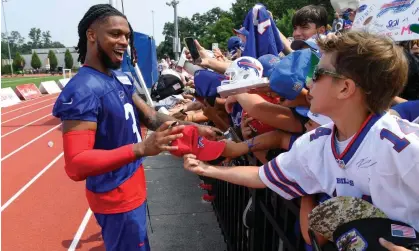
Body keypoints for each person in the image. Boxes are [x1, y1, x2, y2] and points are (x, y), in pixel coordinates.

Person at [183, 31, 419, 249]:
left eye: (317, 73)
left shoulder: (404, 147)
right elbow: (261, 175)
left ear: (345, 88)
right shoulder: (318, 141)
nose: (307, 83)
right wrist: (208, 169)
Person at [52, 4, 219, 251]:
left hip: (132, 184)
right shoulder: (82, 89)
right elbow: (76, 164)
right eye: (115, 34)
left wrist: (192, 128)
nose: (124, 42)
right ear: (91, 35)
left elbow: (150, 117)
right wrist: (141, 148)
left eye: (127, 36)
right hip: (115, 195)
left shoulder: (118, 76)